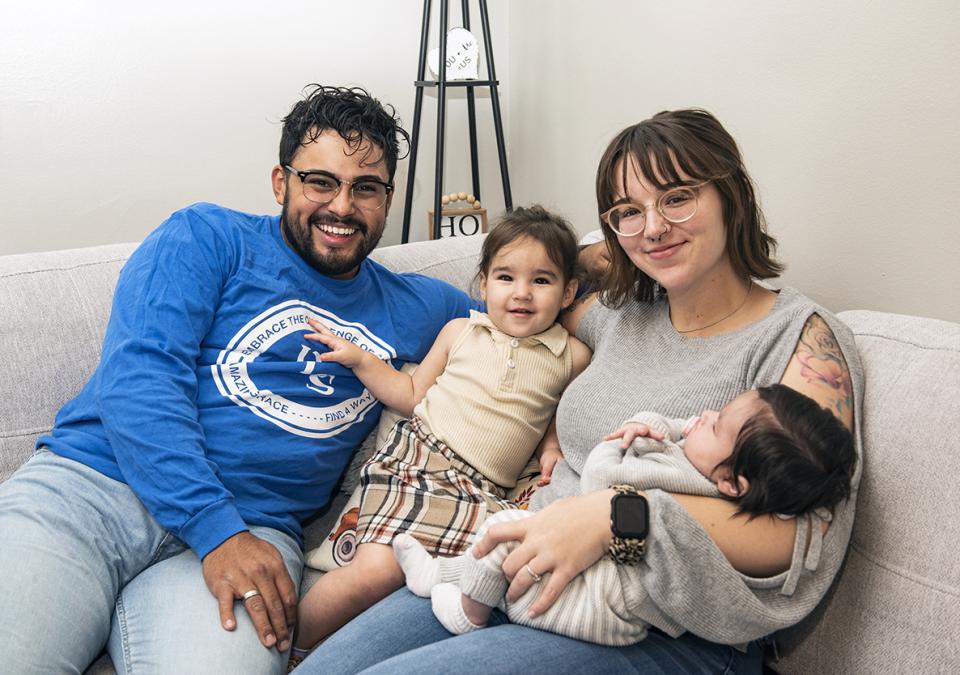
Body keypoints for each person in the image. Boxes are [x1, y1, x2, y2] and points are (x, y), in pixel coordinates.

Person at [299, 108, 863, 674]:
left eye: (677, 197)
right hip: (518, 565)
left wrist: (612, 518)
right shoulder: (617, 314)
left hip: (660, 622)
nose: (655, 227)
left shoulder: (801, 341)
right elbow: (547, 266)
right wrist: (613, 246)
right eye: (629, 212)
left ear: (731, 195)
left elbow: (799, 537)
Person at [0, 85, 483, 674]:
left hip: (256, 529)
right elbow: (140, 379)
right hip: (95, 492)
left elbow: (533, 296)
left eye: (366, 187)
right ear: (281, 183)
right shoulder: (206, 237)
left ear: (386, 199)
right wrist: (215, 530)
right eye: (320, 181)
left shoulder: (420, 305)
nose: (342, 206)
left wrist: (593, 260)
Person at [289, 207, 592, 657]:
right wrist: (360, 360)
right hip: (419, 459)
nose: (522, 293)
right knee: (377, 573)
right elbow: (411, 393)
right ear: (484, 284)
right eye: (506, 278)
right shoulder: (461, 332)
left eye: (541, 281)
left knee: (485, 579)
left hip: (486, 491)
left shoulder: (573, 356)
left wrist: (551, 447)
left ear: (568, 292)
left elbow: (557, 415)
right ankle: (292, 648)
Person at [394, 384, 855, 644]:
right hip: (598, 585)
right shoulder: (718, 477)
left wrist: (621, 440)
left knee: (502, 531)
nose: (704, 414)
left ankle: (468, 611)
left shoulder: (682, 482)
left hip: (593, 607)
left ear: (734, 484)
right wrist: (667, 427)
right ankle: (442, 574)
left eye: (715, 423)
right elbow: (683, 440)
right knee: (501, 531)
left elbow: (600, 492)